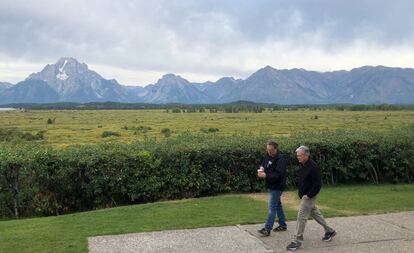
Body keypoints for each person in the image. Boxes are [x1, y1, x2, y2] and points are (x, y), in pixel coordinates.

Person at [287, 145, 336, 251]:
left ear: (306, 155)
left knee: (301, 218)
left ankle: (297, 241)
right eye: (297, 155)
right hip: (304, 196)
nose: (298, 157)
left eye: (299, 155)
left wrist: (308, 195)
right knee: (316, 214)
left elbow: (318, 184)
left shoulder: (313, 167)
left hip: (309, 197)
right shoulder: (302, 165)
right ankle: (330, 231)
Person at [257, 140, 288, 236]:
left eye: (271, 150)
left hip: (277, 186)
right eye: (268, 150)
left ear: (276, 149)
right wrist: (262, 168)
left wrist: (265, 175)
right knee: (278, 205)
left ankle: (267, 229)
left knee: (272, 208)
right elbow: (264, 164)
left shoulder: (281, 159)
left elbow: (278, 174)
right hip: (270, 185)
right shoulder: (268, 156)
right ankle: (283, 225)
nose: (269, 152)